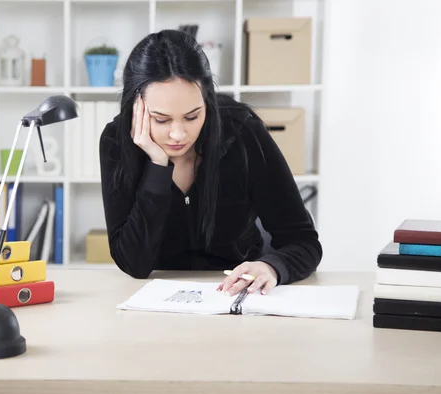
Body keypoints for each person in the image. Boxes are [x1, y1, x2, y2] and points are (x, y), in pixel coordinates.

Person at [99, 29, 322, 296]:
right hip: (160, 300)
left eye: (192, 116)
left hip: (238, 296)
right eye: (161, 119)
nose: (179, 135)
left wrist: (271, 267)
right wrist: (158, 166)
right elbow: (133, 264)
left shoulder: (242, 132)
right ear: (136, 106)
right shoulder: (116, 142)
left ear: (207, 100)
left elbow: (304, 241)